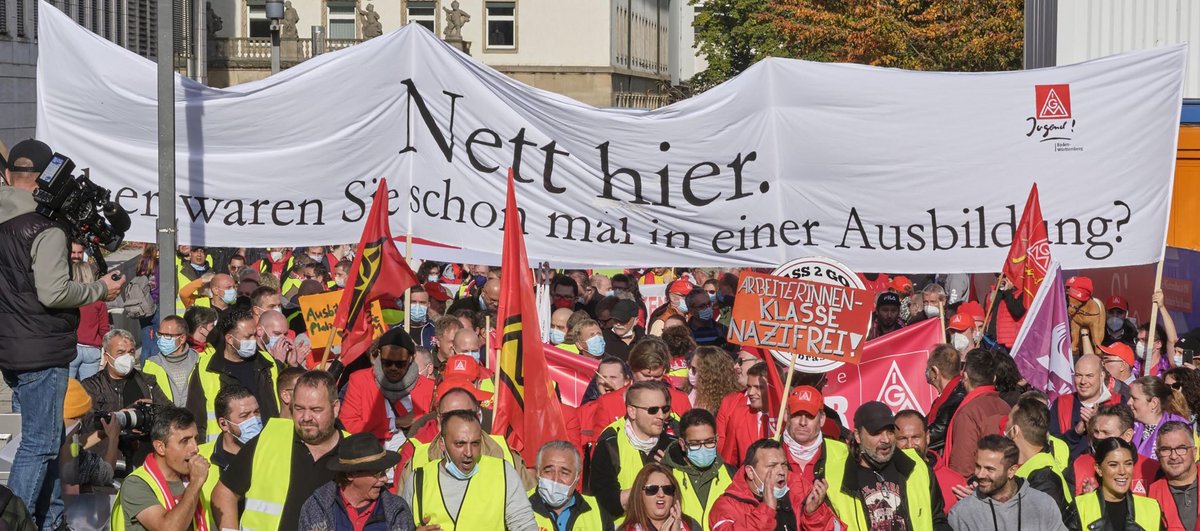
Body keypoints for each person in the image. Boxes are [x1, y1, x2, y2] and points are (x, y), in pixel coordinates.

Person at [0, 138, 125, 529]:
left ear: (8, 175)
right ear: (45, 183)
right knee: (39, 443)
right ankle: (13, 519)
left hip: (12, 347)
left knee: (50, 439)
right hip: (42, 348)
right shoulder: (44, 228)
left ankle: (48, 518)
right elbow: (54, 292)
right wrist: (100, 289)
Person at [211, 371, 344, 530]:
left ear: (335, 407)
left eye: (316, 409)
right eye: (299, 408)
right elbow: (224, 493)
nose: (306, 417)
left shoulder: (352, 449)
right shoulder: (270, 438)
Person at [825, 401, 951, 530]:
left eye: (890, 431)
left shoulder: (916, 467)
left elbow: (937, 520)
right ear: (858, 436)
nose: (885, 439)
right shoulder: (836, 479)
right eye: (877, 433)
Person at [403, 410, 537, 530]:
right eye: (460, 444)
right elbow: (400, 526)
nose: (468, 452)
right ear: (442, 444)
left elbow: (525, 525)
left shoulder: (502, 472)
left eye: (475, 443)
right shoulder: (417, 480)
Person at [186, 308, 282, 443]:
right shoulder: (206, 368)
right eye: (248, 337)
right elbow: (196, 418)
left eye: (254, 335)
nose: (254, 340)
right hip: (224, 451)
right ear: (230, 339)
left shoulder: (269, 362)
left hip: (269, 445)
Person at [111, 407, 213, 531]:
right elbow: (168, 528)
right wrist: (195, 484)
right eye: (185, 441)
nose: (195, 448)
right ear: (160, 447)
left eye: (195, 439)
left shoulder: (189, 480)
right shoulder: (136, 484)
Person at [590, 380, 679, 521]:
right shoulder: (610, 444)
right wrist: (651, 488)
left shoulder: (673, 443)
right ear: (632, 411)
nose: (661, 416)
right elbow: (605, 501)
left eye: (665, 409)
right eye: (653, 410)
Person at [707, 438, 838, 530]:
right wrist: (766, 510)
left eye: (784, 464)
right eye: (772, 466)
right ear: (750, 472)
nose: (781, 471)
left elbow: (835, 528)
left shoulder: (800, 489)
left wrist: (814, 514)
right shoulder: (727, 506)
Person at [947, 435, 1067, 531]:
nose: (980, 474)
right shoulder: (962, 514)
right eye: (978, 466)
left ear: (1011, 471)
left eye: (990, 469)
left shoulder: (1043, 505)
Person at [298, 433, 414, 531]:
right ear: (350, 474)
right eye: (377, 473)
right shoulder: (316, 507)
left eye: (385, 471)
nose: (384, 479)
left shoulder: (398, 510)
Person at [1064, 437, 1163, 531]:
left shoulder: (1151, 508)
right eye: (1113, 465)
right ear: (1099, 469)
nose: (1122, 471)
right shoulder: (1080, 507)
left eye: (1128, 464)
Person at [945, 349, 1011, 479]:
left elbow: (962, 469)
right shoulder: (1007, 407)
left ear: (965, 376)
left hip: (976, 489)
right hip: (1005, 482)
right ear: (994, 378)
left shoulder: (968, 413)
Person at [661, 409, 732, 528]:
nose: (703, 448)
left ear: (717, 440)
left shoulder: (732, 474)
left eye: (709, 442)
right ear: (682, 444)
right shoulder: (665, 475)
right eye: (695, 444)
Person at [1050, 353, 1127, 460]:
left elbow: (1125, 445)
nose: (1083, 381)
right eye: (1078, 375)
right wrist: (1076, 432)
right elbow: (1052, 447)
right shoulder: (1060, 404)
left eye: (1089, 376)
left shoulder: (1118, 402)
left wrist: (1097, 425)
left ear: (1102, 376)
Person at [530, 440, 614, 531]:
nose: (556, 479)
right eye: (548, 471)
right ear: (537, 473)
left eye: (564, 473)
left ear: (577, 477)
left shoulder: (598, 512)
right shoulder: (519, 505)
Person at [1006, 396, 1072, 511]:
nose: (1005, 425)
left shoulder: (1045, 478)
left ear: (1014, 431)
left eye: (1008, 420)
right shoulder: (1027, 464)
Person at [197, 385, 260, 504]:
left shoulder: (269, 451)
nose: (254, 420)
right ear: (223, 424)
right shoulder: (199, 457)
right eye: (244, 416)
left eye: (256, 412)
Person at [716, 362, 769, 468]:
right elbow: (729, 461)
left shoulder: (788, 419)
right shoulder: (739, 415)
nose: (750, 392)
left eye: (758, 387)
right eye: (749, 387)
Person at [1148, 421, 1198, 531]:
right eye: (1166, 450)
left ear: (1194, 452)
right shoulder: (1150, 496)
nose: (1174, 456)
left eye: (1181, 448)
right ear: (1157, 455)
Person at [622, 463, 702, 531]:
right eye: (652, 489)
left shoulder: (691, 526)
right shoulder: (626, 529)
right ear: (639, 494)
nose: (661, 494)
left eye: (667, 489)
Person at [143, 315, 200, 408]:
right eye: (160, 334)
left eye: (167, 336)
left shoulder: (199, 361)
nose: (162, 339)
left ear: (182, 338)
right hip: (166, 420)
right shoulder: (151, 364)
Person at [1130, 375, 1191, 460]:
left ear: (1153, 403)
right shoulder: (1128, 424)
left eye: (1134, 398)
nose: (1129, 402)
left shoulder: (1178, 427)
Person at [925, 344, 966, 453]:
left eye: (928, 369)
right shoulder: (947, 396)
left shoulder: (956, 399)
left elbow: (935, 433)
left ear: (934, 371)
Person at [72, 262, 109, 380]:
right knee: (90, 389)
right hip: (92, 349)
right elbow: (104, 329)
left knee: (67, 391)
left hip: (73, 347)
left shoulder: (70, 299)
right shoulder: (98, 301)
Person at [685, 347, 739, 415]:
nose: (691, 372)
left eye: (695, 369)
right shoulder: (686, 391)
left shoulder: (727, 402)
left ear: (710, 373)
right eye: (691, 367)